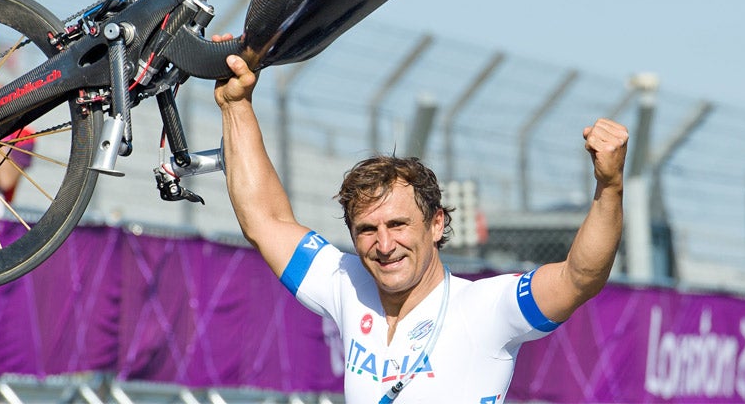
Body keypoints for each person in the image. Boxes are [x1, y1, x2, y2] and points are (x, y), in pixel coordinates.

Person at [214, 52, 627, 402]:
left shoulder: (484, 308)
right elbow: (266, 219)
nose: (384, 244)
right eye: (367, 229)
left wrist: (609, 186)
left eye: (398, 224)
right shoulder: (348, 283)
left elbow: (579, 278)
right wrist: (236, 105)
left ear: (436, 224)